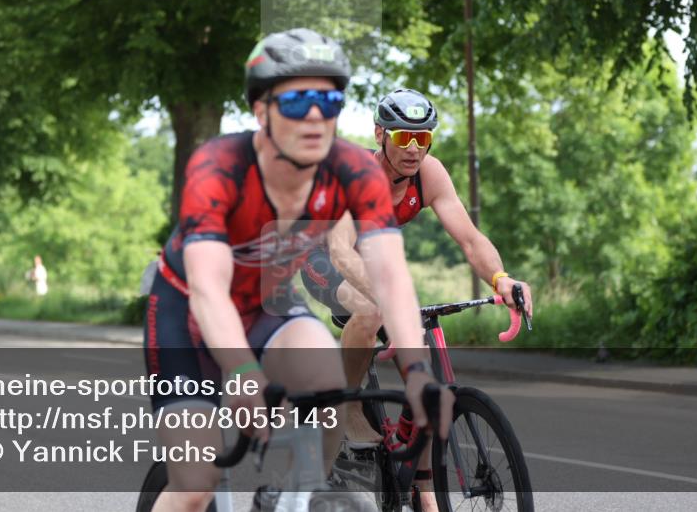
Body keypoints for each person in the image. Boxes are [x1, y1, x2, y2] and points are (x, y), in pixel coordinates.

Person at [143, 30, 453, 512]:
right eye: (296, 102)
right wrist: (244, 372)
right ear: (261, 110)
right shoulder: (218, 166)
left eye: (327, 101)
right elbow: (207, 289)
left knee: (327, 379)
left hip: (266, 304)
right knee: (195, 485)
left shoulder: (351, 169)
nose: (313, 116)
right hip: (188, 309)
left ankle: (296, 494)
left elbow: (390, 277)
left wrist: (416, 371)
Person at [299, 87, 534, 511]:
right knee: (371, 310)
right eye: (403, 137)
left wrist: (501, 279)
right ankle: (345, 411)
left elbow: (469, 238)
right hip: (324, 256)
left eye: (422, 138)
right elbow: (341, 252)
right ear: (379, 135)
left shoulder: (429, 174)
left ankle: (422, 484)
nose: (414, 149)